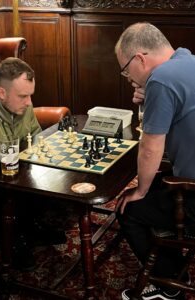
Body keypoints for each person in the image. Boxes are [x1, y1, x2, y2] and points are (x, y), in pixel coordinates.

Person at [115, 22, 195, 300]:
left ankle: (169, 284)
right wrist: (149, 99)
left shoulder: (161, 78)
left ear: (140, 58)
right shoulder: (187, 59)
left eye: (125, 70)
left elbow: (151, 148)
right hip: (186, 177)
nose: (127, 77)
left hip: (193, 190)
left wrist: (139, 190)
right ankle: (174, 270)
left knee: (129, 209)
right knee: (159, 190)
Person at [0, 57, 65, 271]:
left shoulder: (22, 106)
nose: (30, 103)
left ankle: (31, 226)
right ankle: (15, 241)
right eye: (23, 96)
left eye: (30, 95)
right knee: (12, 196)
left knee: (53, 182)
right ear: (2, 93)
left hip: (11, 174)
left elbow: (36, 139)